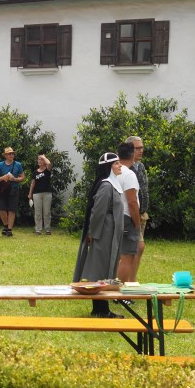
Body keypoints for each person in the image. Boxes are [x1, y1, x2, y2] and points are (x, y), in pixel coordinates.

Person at [72, 152, 124, 318]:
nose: (120, 166)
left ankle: (102, 308)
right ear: (109, 167)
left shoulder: (112, 183)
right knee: (100, 270)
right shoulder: (107, 185)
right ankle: (100, 309)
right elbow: (98, 212)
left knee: (105, 269)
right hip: (103, 232)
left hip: (109, 231)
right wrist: (93, 234)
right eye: (116, 164)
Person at [114, 141, 141, 284]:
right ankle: (120, 293)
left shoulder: (114, 172)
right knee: (127, 256)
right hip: (127, 218)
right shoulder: (129, 174)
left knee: (118, 256)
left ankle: (114, 289)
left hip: (115, 216)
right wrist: (137, 223)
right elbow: (132, 201)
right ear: (132, 155)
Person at [126, 136, 149, 282]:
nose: (141, 150)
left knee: (138, 250)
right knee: (134, 249)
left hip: (141, 213)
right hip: (130, 214)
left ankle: (132, 281)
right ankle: (125, 282)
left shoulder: (140, 166)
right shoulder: (125, 167)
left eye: (142, 147)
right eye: (137, 148)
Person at [0, 146, 25, 237]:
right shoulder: (0, 165)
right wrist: (3, 178)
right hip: (3, 189)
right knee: (1, 209)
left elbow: (22, 177)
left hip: (13, 188)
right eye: (9, 154)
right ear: (5, 155)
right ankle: (6, 226)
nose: (11, 155)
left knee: (12, 209)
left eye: (12, 153)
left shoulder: (18, 164)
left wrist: (14, 179)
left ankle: (9, 229)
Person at [27, 154, 53, 235]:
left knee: (47, 212)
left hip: (47, 193)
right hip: (37, 194)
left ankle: (47, 229)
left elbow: (49, 164)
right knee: (37, 212)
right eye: (38, 159)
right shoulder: (35, 172)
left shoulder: (47, 170)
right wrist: (30, 194)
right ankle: (38, 229)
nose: (39, 161)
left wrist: (44, 157)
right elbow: (33, 183)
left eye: (41, 159)